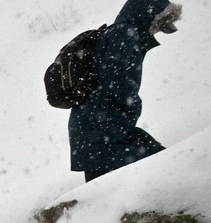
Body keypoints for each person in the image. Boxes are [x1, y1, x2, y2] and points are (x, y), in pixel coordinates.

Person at [69, 0, 181, 182]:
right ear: (148, 15)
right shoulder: (124, 33)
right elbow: (115, 77)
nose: (159, 30)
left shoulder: (124, 33)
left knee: (105, 184)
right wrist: (133, 104)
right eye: (161, 24)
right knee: (156, 167)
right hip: (101, 125)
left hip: (97, 124)